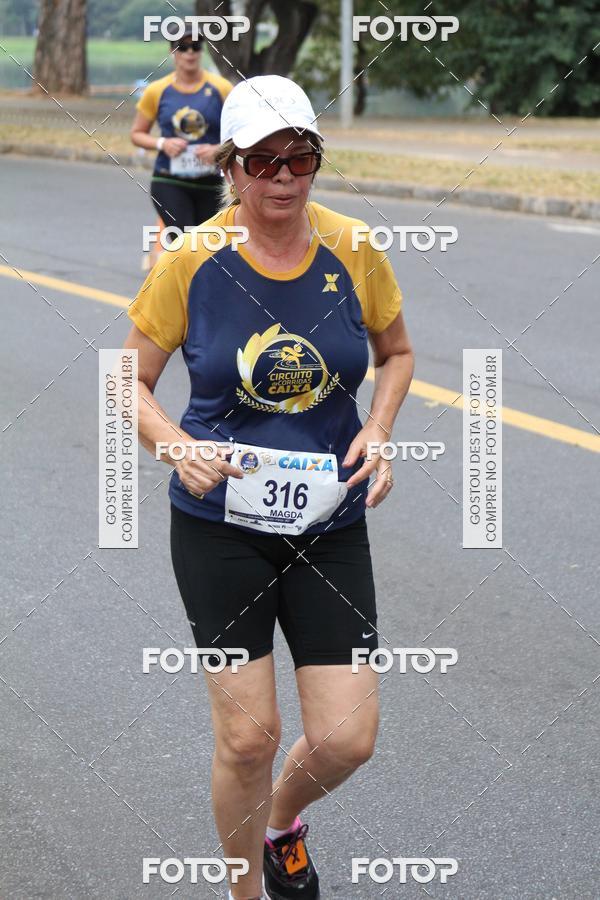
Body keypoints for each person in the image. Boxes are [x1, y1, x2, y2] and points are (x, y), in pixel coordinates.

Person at [124, 75, 414, 900]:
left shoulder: (354, 247)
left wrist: (379, 429)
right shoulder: (190, 259)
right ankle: (244, 889)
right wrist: (176, 445)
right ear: (231, 167)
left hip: (330, 520)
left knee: (349, 738)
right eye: (263, 162)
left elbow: (397, 354)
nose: (284, 179)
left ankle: (282, 824)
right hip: (219, 526)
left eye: (301, 158)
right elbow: (129, 380)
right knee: (249, 740)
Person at [130, 26, 233, 260]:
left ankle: (200, 290)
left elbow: (240, 135)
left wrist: (219, 150)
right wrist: (162, 143)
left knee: (210, 248)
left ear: (201, 51)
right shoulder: (157, 90)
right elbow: (137, 134)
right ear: (173, 52)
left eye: (195, 47)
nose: (189, 53)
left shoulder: (221, 88)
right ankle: (184, 289)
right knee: (187, 243)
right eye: (182, 47)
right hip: (169, 180)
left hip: (212, 184)